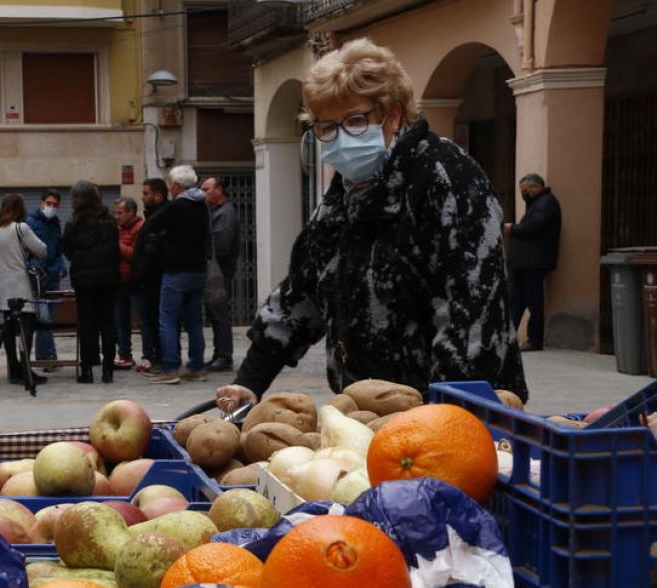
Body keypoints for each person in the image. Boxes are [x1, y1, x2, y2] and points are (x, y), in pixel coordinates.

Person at [214, 38, 528, 414]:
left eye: (356, 120)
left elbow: (470, 317)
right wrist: (249, 381)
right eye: (327, 126)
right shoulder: (344, 195)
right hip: (366, 409)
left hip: (452, 412)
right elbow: (300, 296)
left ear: (393, 114)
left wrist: (443, 421)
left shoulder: (447, 177)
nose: (341, 137)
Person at [148, 165, 210, 385]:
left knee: (168, 320)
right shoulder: (201, 205)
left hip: (176, 270)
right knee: (194, 320)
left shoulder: (177, 206)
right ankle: (196, 367)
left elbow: (152, 224)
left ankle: (171, 368)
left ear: (176, 185)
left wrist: (164, 236)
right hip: (198, 269)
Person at [61, 181, 122, 384]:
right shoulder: (110, 220)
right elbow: (116, 247)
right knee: (108, 323)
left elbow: (67, 249)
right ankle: (108, 370)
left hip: (84, 279)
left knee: (87, 324)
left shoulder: (74, 223)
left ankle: (87, 369)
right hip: (109, 278)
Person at [0, 194, 48, 385]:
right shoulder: (20, 227)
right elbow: (41, 250)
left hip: (2, 287)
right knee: (26, 329)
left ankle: (13, 368)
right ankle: (25, 369)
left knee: (8, 330)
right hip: (19, 286)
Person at [506, 174, 561, 352]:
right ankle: (507, 337)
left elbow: (535, 227)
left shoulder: (545, 203)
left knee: (533, 301)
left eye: (526, 190)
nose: (523, 194)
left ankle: (534, 339)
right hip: (525, 262)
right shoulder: (537, 204)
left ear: (536, 187)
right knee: (518, 301)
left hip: (534, 262)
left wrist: (512, 228)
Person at [201, 176, 240, 372]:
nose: (203, 193)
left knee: (219, 313)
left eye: (206, 189)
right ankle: (219, 354)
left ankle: (224, 356)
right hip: (217, 271)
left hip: (219, 272)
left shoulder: (225, 213)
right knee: (215, 313)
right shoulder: (216, 212)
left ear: (219, 190)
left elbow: (223, 245)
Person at [25, 190, 66, 369]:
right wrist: (35, 267)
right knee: (44, 317)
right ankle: (48, 357)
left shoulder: (56, 223)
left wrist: (60, 268)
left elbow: (57, 250)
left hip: (53, 275)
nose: (51, 207)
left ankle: (45, 355)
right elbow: (28, 250)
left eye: (55, 204)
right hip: (39, 276)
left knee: (48, 316)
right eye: (48, 203)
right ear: (41, 202)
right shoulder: (30, 222)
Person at [132, 178, 168, 374]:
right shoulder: (153, 217)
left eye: (146, 193)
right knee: (152, 321)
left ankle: (163, 358)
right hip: (151, 280)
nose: (142, 197)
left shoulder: (158, 219)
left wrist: (141, 276)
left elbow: (151, 252)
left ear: (158, 195)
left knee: (157, 322)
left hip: (154, 280)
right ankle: (158, 357)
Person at [112, 196, 144, 371]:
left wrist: (116, 246)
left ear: (131, 212)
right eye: (115, 212)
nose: (117, 216)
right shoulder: (117, 228)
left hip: (135, 281)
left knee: (142, 320)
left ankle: (148, 355)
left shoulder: (140, 228)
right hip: (119, 280)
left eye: (120, 212)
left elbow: (135, 254)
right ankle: (124, 355)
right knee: (120, 321)